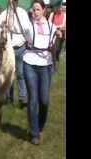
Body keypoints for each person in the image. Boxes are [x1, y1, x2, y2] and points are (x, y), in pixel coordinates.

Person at [21, 0, 62, 145]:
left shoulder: (51, 27)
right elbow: (17, 26)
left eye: (37, 10)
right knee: (33, 99)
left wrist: (58, 34)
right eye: (33, 10)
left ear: (44, 10)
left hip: (45, 65)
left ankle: (40, 126)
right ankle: (34, 133)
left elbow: (57, 37)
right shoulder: (27, 25)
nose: (34, 12)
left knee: (44, 101)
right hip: (29, 64)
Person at [0, 0, 30, 107]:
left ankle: (22, 97)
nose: (13, 2)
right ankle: (8, 97)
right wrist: (3, 25)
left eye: (15, 1)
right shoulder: (4, 14)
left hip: (20, 47)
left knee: (20, 73)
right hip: (8, 50)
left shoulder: (22, 13)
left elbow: (27, 28)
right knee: (9, 74)